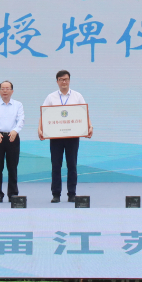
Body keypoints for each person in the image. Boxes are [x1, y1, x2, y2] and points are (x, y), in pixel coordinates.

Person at [38, 70, 92, 203]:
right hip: (55, 137)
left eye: (66, 79)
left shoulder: (77, 96)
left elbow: (84, 113)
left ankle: (72, 193)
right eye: (61, 79)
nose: (64, 82)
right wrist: (40, 129)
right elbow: (44, 114)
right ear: (57, 81)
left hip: (72, 137)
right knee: (56, 165)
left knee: (72, 165)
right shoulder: (51, 97)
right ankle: (56, 194)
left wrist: (89, 126)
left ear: (69, 80)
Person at [0, 80, 24, 203]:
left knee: (12, 167)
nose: (5, 91)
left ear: (12, 91)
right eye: (3, 89)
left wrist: (15, 131)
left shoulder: (18, 105)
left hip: (13, 137)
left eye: (7, 88)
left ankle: (13, 193)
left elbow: (21, 120)